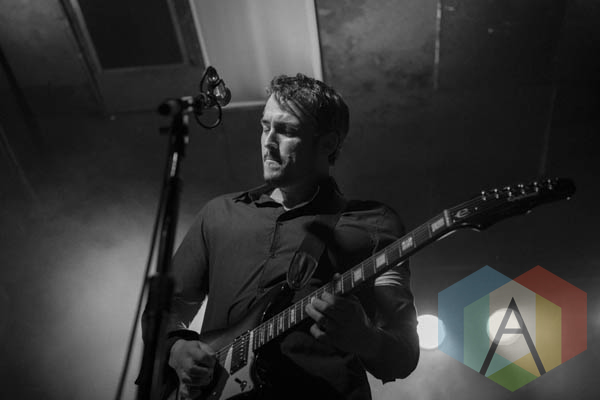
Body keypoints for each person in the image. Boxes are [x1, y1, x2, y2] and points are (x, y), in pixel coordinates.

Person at [145, 74, 419, 400]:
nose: (268, 141)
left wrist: (365, 337)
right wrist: (177, 348)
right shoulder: (220, 213)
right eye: (265, 127)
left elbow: (404, 353)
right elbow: (165, 309)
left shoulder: (374, 224)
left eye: (287, 130)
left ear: (328, 144)